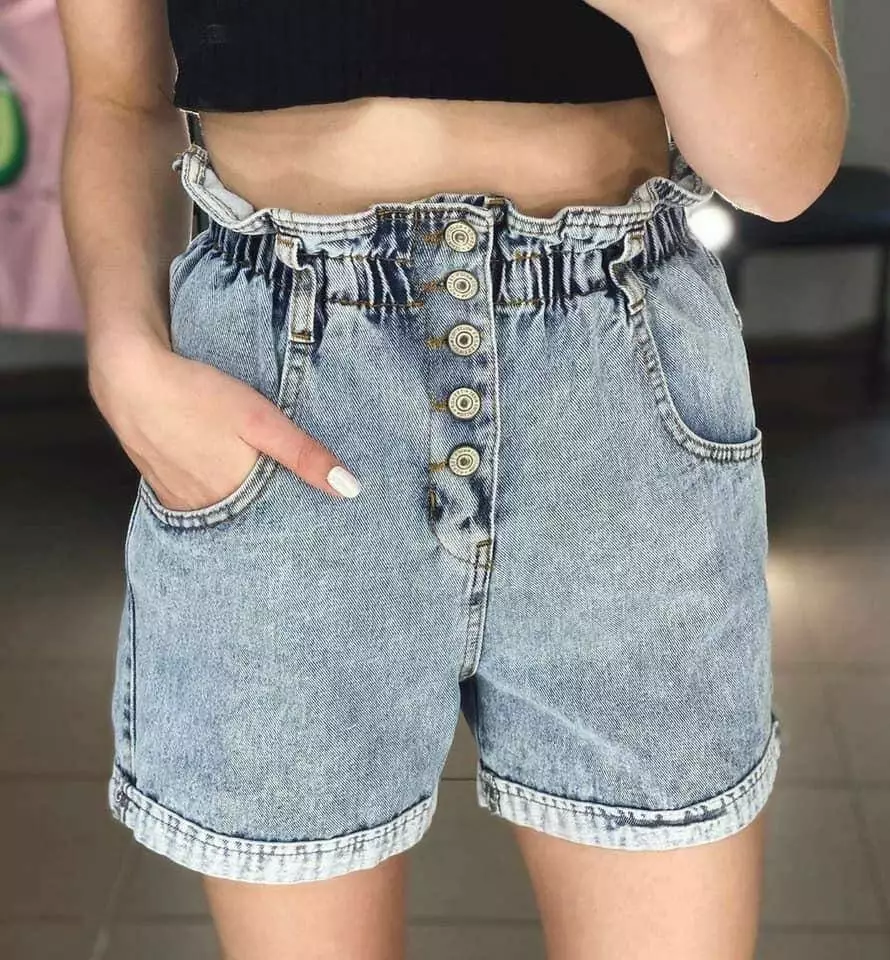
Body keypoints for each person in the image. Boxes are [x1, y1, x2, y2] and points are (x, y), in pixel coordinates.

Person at [57, 1, 848, 957]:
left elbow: (788, 171)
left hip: (616, 394)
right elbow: (118, 98)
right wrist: (122, 348)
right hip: (287, 393)